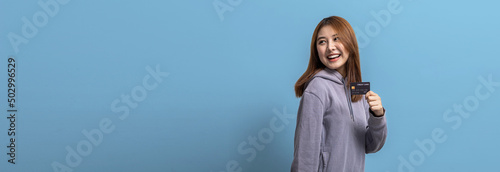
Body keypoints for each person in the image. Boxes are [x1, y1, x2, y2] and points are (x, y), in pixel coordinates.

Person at [291, 16, 387, 172]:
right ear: (316, 50)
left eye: (337, 39)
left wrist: (377, 116)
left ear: (350, 43)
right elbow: (305, 153)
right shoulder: (317, 88)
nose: (330, 47)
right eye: (322, 41)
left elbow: (371, 145)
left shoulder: (357, 89)